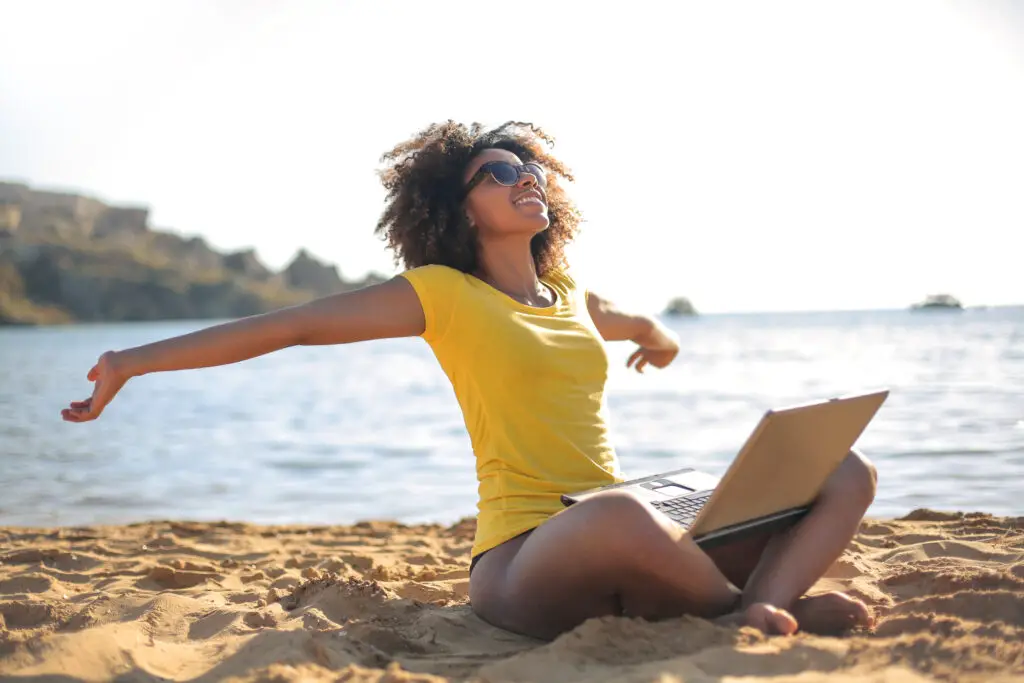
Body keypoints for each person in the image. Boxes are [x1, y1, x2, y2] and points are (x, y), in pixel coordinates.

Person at [62, 121, 878, 640]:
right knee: (622, 512)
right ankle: (752, 615)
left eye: (529, 166)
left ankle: (765, 600)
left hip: (632, 524)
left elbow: (625, 320)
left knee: (844, 467)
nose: (524, 175)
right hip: (527, 557)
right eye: (497, 171)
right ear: (460, 211)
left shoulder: (569, 295)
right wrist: (131, 361)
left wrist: (657, 340)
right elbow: (293, 324)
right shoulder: (443, 294)